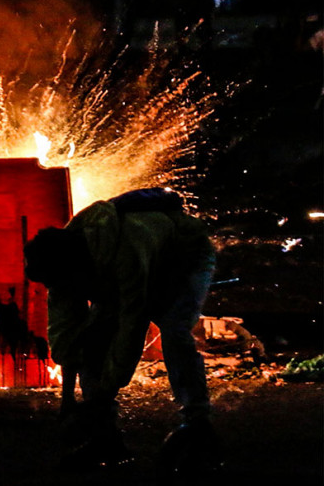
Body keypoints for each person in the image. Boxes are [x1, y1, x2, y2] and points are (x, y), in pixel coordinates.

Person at [23, 188, 221, 475]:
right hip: (128, 267)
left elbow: (132, 327)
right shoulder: (60, 263)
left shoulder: (124, 252)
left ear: (76, 269)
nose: (62, 290)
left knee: (174, 331)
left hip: (185, 257)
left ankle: (198, 425)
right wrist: (67, 400)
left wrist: (99, 399)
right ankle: (106, 440)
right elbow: (67, 333)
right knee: (92, 339)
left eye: (63, 283)